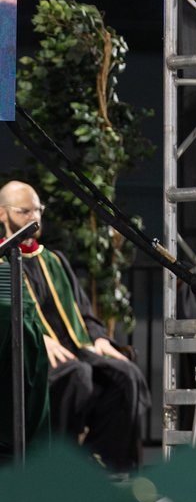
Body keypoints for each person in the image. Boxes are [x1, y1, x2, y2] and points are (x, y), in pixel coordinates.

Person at [0, 180, 148, 471]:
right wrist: (36, 338)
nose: (35, 218)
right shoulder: (2, 262)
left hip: (76, 349)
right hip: (33, 354)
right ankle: (57, 468)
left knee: (126, 376)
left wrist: (99, 337)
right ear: (2, 214)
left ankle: (110, 470)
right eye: (25, 211)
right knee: (77, 376)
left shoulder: (55, 260)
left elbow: (84, 311)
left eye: (38, 210)